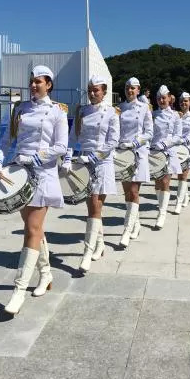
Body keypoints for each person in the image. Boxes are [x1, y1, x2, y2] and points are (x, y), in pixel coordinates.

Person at [0, 65, 68, 315]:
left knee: (31, 230)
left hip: (43, 173)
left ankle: (19, 290)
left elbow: (61, 146)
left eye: (38, 82)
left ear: (49, 84)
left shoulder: (58, 111)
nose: (33, 85)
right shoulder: (20, 109)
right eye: (32, 81)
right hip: (20, 173)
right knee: (34, 228)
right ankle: (46, 274)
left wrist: (35, 157)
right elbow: (6, 140)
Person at [63, 75, 119, 273]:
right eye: (90, 90)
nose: (92, 94)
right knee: (92, 208)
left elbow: (113, 141)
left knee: (95, 206)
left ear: (104, 92)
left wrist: (94, 157)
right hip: (84, 162)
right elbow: (72, 138)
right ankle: (100, 244)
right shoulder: (82, 111)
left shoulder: (112, 112)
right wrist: (68, 158)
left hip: (102, 162)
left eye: (96, 90)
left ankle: (87, 253)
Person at [118, 77, 154, 247]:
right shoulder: (119, 108)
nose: (130, 91)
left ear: (138, 90)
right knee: (127, 193)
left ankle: (126, 230)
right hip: (122, 153)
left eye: (133, 88)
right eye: (127, 88)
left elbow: (149, 132)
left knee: (134, 191)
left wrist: (135, 142)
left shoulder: (145, 108)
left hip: (138, 152)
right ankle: (136, 224)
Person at [150, 85, 182, 229]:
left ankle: (162, 213)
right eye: (159, 98)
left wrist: (165, 143)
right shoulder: (153, 115)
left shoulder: (175, 115)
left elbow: (178, 136)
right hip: (154, 151)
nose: (161, 100)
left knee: (165, 181)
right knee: (157, 183)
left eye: (163, 98)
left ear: (169, 98)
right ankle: (161, 206)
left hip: (169, 150)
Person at [171, 91, 190, 213]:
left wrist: (186, 139)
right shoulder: (175, 115)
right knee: (179, 175)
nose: (183, 103)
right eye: (181, 101)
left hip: (188, 149)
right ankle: (186, 196)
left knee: (182, 176)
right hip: (175, 148)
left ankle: (178, 203)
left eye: (186, 101)